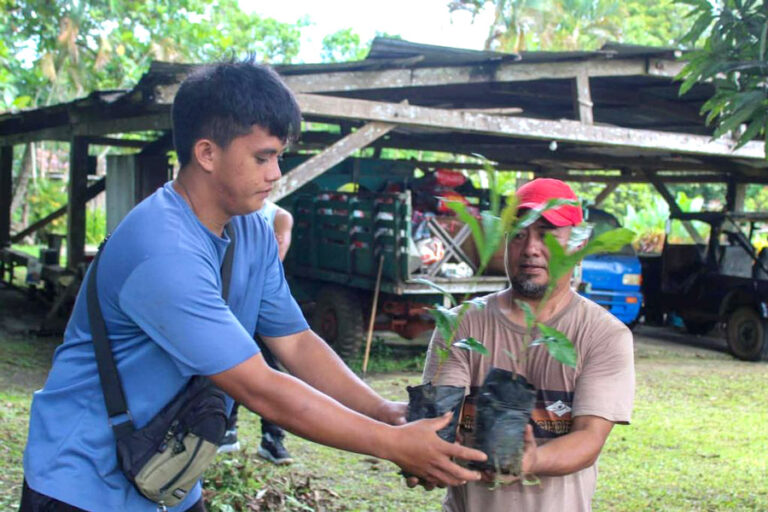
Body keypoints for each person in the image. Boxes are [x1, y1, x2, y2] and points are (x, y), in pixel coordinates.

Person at [19, 60, 486, 512]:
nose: (275, 173)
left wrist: (383, 411)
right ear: (206, 153)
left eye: (278, 157)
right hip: (82, 481)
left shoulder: (251, 229)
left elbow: (297, 343)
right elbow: (259, 387)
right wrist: (393, 445)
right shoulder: (163, 250)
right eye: (262, 157)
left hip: (166, 475)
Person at [420, 178, 635, 511]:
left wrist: (531, 460)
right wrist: (428, 451)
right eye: (519, 234)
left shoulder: (604, 334)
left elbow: (590, 439)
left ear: (578, 245)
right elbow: (438, 421)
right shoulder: (461, 323)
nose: (531, 248)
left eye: (548, 234)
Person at [218, 199, 296, 464]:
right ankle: (227, 429)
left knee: (268, 370)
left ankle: (273, 439)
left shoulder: (279, 216)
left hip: (259, 306)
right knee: (229, 367)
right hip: (228, 306)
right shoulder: (225, 211)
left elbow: (275, 258)